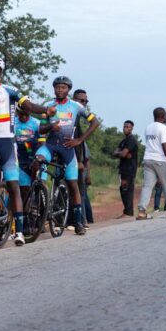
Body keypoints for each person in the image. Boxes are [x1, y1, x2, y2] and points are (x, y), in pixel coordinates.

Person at [0, 56, 51, 245]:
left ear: (1, 74)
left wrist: (46, 109)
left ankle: (19, 231)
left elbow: (29, 106)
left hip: (6, 142)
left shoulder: (9, 91)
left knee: (14, 187)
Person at [36, 76, 100, 235]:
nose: (60, 90)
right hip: (50, 146)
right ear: (54, 89)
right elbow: (41, 129)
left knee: (73, 184)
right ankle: (39, 199)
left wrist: (79, 139)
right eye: (57, 87)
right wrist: (51, 126)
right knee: (38, 160)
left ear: (68, 90)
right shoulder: (48, 106)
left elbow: (95, 122)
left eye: (63, 88)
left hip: (68, 148)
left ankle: (78, 222)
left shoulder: (76, 106)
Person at [136, 107, 166, 220]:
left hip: (148, 159)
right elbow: (165, 146)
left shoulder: (148, 128)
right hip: (161, 160)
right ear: (163, 116)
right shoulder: (164, 129)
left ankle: (142, 212)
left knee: (147, 186)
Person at [72, 89, 94, 227]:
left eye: (86, 101)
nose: (84, 103)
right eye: (81, 100)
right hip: (65, 159)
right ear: (74, 100)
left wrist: (82, 165)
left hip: (78, 164)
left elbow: (87, 157)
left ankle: (83, 220)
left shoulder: (79, 124)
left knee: (80, 193)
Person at [15, 106, 44, 208]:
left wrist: (36, 156)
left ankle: (42, 210)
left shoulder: (36, 123)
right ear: (17, 112)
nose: (23, 117)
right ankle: (24, 212)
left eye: (26, 115)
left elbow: (42, 143)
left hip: (34, 154)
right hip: (20, 157)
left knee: (41, 184)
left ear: (31, 112)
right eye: (21, 114)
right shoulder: (13, 123)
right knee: (24, 189)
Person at [113, 120, 139, 217]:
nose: (125, 128)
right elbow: (115, 153)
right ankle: (128, 211)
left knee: (127, 190)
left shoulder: (131, 140)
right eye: (124, 126)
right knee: (123, 189)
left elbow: (122, 154)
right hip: (123, 168)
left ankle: (128, 212)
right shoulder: (123, 141)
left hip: (130, 168)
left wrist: (121, 153)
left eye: (127, 127)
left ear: (131, 128)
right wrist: (121, 154)